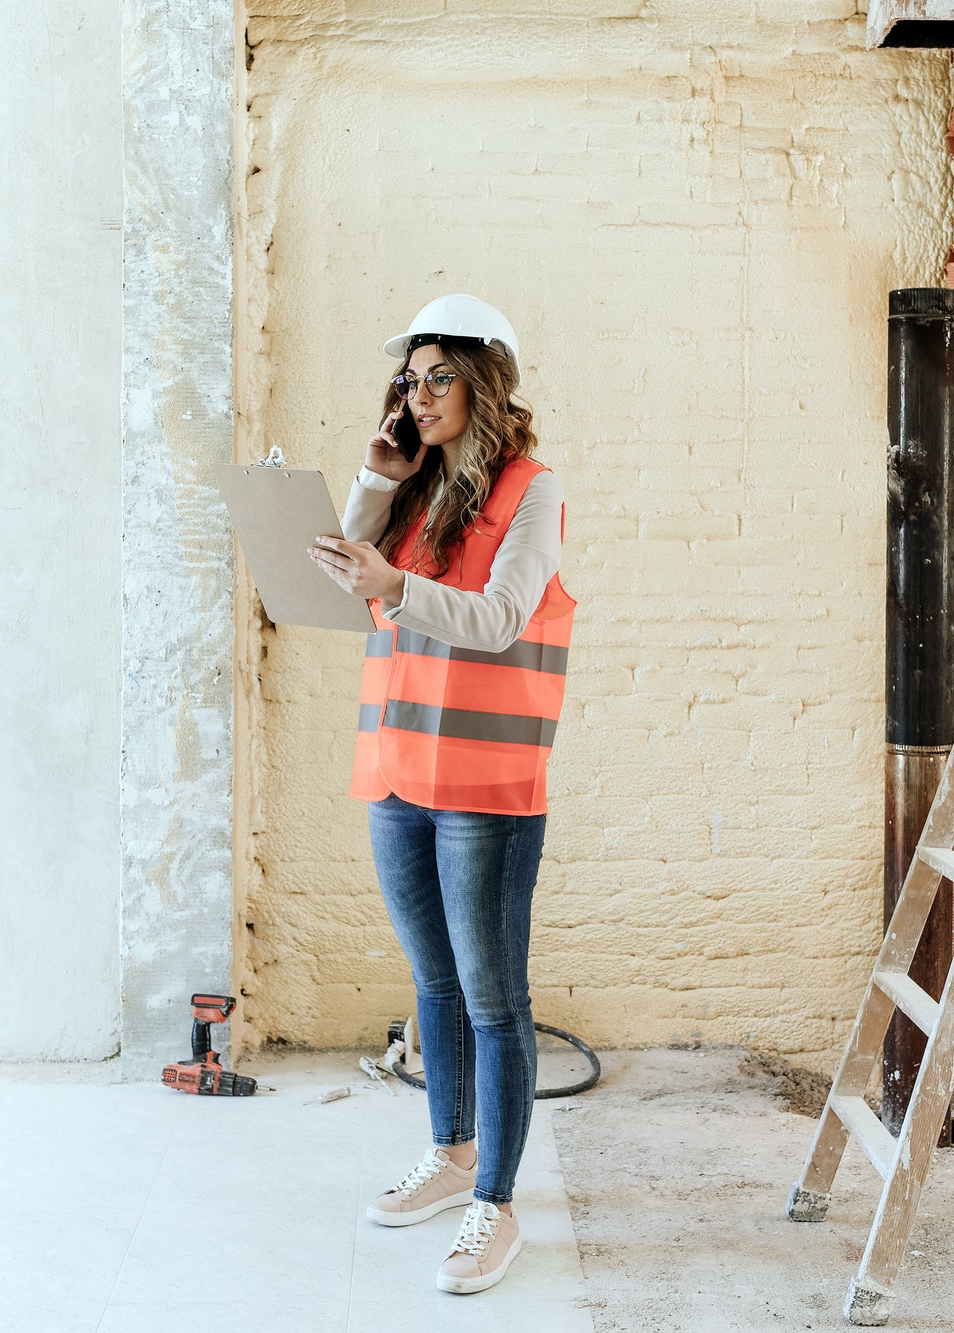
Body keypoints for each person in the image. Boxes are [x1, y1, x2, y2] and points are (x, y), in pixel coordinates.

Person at [307, 293, 574, 1296]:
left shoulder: (531, 490)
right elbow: (347, 572)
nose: (416, 396)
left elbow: (504, 615)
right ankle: (450, 1152)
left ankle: (493, 1206)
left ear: (483, 379)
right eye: (406, 380)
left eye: (435, 377)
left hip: (484, 786)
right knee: (432, 987)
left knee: (493, 998)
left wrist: (391, 580)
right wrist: (375, 480)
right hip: (396, 768)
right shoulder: (413, 491)